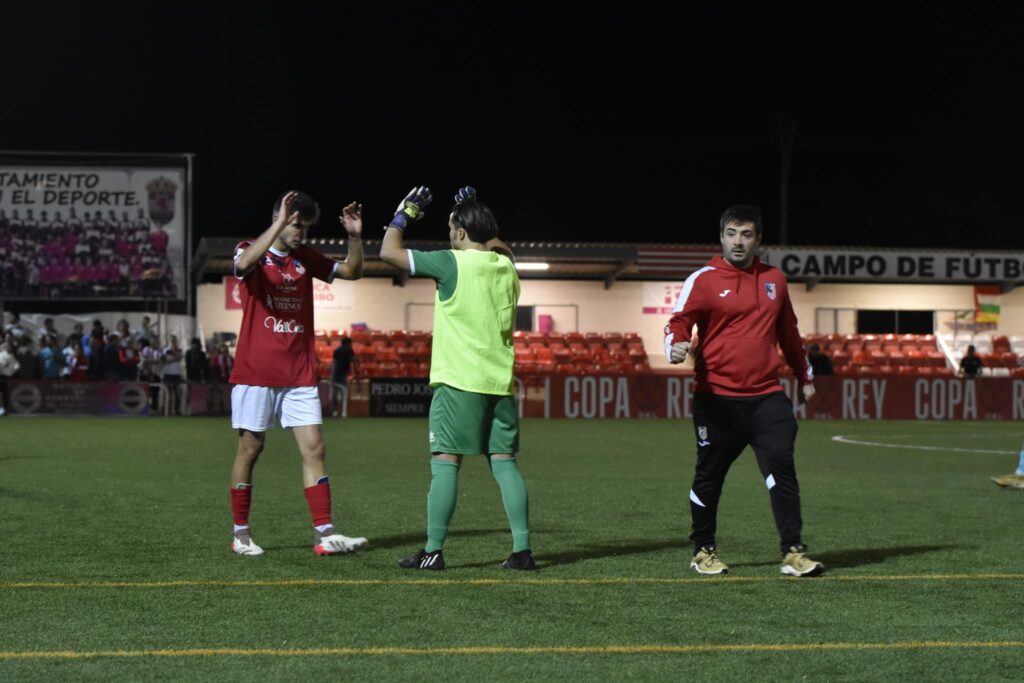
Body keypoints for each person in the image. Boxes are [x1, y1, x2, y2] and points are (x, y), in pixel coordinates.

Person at [664, 204, 824, 578]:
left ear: (758, 239)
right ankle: (703, 550)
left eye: (746, 234)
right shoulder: (703, 279)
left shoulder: (775, 280)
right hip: (716, 399)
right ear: (721, 237)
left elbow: (789, 333)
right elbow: (679, 321)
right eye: (732, 234)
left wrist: (805, 376)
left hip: (767, 397)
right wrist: (675, 344)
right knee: (709, 476)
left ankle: (793, 552)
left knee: (782, 468)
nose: (738, 241)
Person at [380, 186, 534, 571]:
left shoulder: (451, 263)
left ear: (461, 233)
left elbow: (388, 252)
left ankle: (433, 551)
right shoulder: (507, 267)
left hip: (458, 381)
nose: (449, 233)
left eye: (452, 228)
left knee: (445, 463)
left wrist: (404, 214)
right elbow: (499, 246)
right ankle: (522, 551)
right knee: (505, 463)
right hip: (499, 383)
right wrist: (470, 210)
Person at [228, 190, 366, 557]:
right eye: (296, 225)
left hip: (299, 374)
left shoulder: (305, 257)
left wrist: (354, 238)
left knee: (315, 448)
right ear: (279, 219)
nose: (301, 232)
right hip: (256, 372)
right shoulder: (249, 250)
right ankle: (240, 533)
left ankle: (325, 532)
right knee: (250, 449)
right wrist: (278, 224)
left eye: (305, 227)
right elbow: (243, 266)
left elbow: (352, 272)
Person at [329, 337, 360, 418]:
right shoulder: (349, 350)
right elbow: (353, 361)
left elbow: (334, 363)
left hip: (335, 374)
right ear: (348, 343)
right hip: (343, 374)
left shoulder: (337, 350)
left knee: (334, 393)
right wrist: (356, 372)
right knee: (344, 393)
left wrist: (332, 374)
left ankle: (335, 411)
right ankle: (344, 412)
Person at [0, 336, 19, 416]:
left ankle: (6, 409)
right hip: (1, 376)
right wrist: (3, 365)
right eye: (7, 346)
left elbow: (16, 365)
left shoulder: (12, 356)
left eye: (9, 346)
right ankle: (1, 408)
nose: (8, 347)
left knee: (6, 394)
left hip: (9, 377)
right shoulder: (1, 355)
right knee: (1, 394)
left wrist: (15, 368)